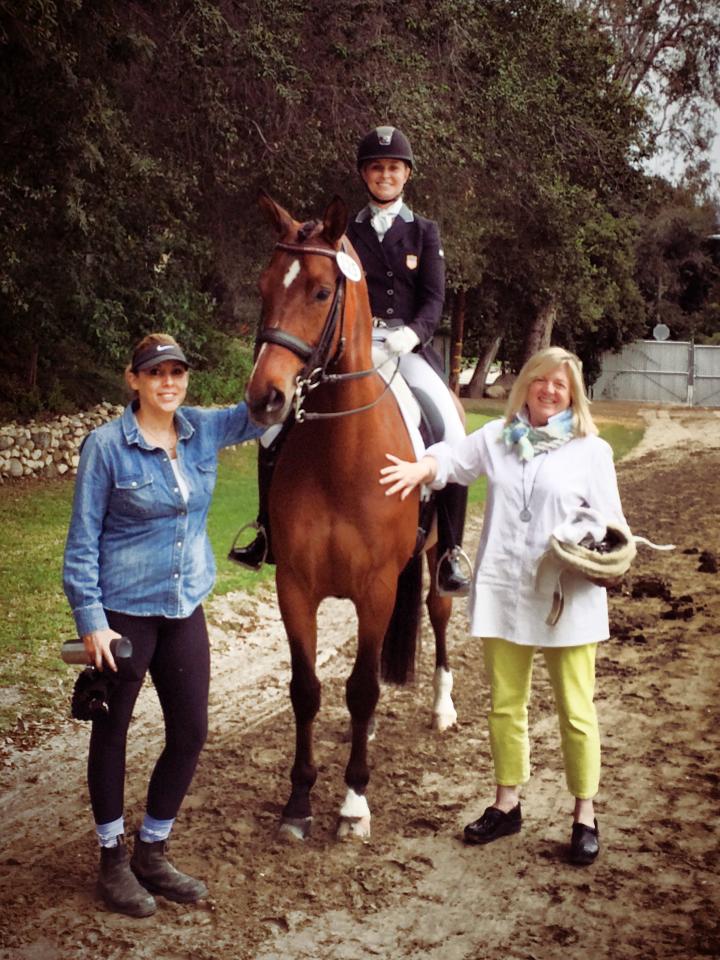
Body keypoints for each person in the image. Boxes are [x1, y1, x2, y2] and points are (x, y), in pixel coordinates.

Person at [379, 346, 629, 865]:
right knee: (505, 705)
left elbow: (611, 526)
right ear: (527, 386)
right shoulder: (499, 438)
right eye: (541, 381)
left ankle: (584, 814)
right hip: (508, 593)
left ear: (572, 394)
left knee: (576, 711)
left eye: (560, 385)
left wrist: (581, 541)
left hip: (566, 597)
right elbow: (453, 460)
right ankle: (507, 804)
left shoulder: (591, 451)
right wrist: (421, 467)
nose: (549, 391)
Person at [63, 333, 263, 917]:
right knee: (113, 732)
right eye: (156, 374)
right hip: (123, 614)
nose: (168, 383)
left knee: (191, 730)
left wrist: (293, 361)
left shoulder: (201, 428)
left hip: (183, 608)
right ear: (134, 379)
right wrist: (91, 622)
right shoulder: (105, 447)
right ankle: (111, 861)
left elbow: (259, 412)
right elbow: (81, 543)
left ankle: (152, 849)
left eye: (176, 372)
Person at [230, 124, 471, 596]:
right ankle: (265, 533)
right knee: (273, 430)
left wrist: (411, 334)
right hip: (347, 348)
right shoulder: (344, 232)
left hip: (407, 349)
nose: (385, 175)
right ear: (365, 174)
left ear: (406, 175)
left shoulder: (424, 232)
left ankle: (450, 553)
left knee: (449, 428)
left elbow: (433, 300)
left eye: (393, 168)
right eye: (377, 167)